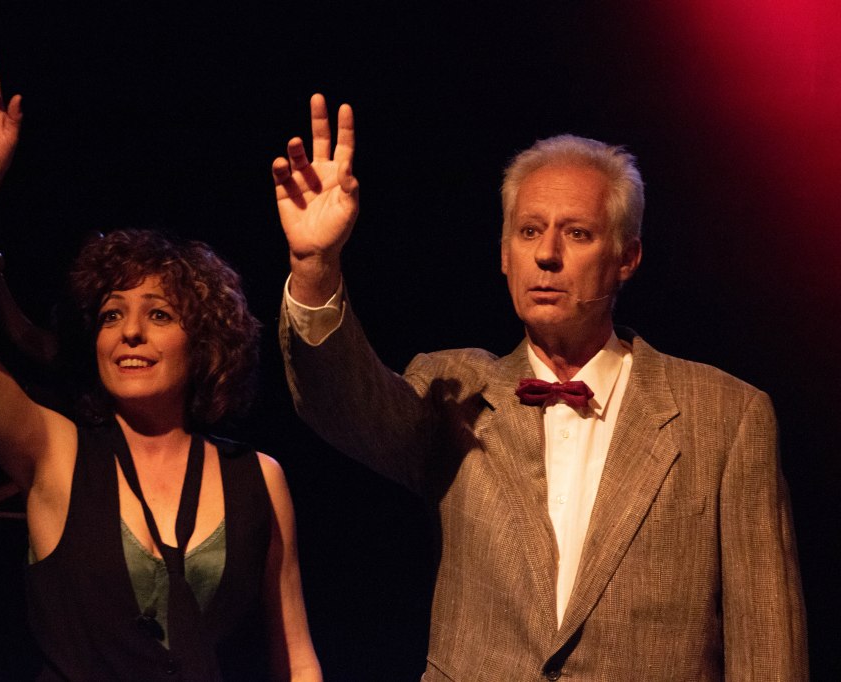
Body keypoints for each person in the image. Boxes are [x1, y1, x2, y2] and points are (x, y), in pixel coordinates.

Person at [272, 95, 807, 680]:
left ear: (627, 256)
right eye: (529, 231)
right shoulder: (455, 395)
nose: (547, 255)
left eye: (577, 233)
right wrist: (315, 267)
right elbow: (343, 403)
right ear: (505, 255)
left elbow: (767, 645)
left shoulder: (726, 416)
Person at [0, 45, 322, 681]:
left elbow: (295, 655)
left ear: (203, 341)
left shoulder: (258, 477)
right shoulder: (57, 454)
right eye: (112, 315)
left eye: (158, 314)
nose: (130, 332)